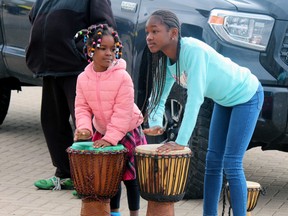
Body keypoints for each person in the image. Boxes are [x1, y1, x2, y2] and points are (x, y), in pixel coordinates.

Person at [142, 10, 264, 216]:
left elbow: (195, 99)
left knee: (231, 163)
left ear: (173, 33)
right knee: (212, 161)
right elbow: (158, 96)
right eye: (147, 32)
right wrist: (155, 122)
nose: (149, 37)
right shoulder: (166, 60)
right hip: (224, 101)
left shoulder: (193, 51)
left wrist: (181, 142)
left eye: (155, 31)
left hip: (247, 95)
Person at [25, 0, 116, 190]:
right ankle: (65, 173)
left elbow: (104, 26)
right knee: (51, 122)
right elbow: (33, 16)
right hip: (49, 65)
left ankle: (91, 178)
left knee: (83, 123)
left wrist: (80, 49)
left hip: (76, 68)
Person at [73, 24, 147, 216]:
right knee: (109, 176)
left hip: (128, 129)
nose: (109, 53)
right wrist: (84, 129)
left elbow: (122, 113)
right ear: (90, 50)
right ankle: (114, 213)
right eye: (103, 48)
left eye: (112, 49)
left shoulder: (123, 77)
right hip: (103, 131)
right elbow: (82, 107)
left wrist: (110, 138)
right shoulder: (83, 78)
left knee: (131, 178)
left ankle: (134, 213)